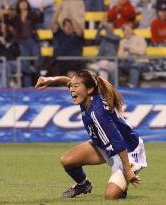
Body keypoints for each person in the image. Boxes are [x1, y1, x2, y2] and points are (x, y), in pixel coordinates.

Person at [35, 70, 147, 200]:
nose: (71, 89)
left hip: (128, 151)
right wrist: (50, 79)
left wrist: (128, 170)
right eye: (72, 86)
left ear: (89, 90)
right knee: (68, 160)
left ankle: (122, 187)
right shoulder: (87, 98)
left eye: (76, 86)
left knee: (111, 196)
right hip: (105, 145)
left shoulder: (98, 113)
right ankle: (83, 185)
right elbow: (67, 81)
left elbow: (118, 141)